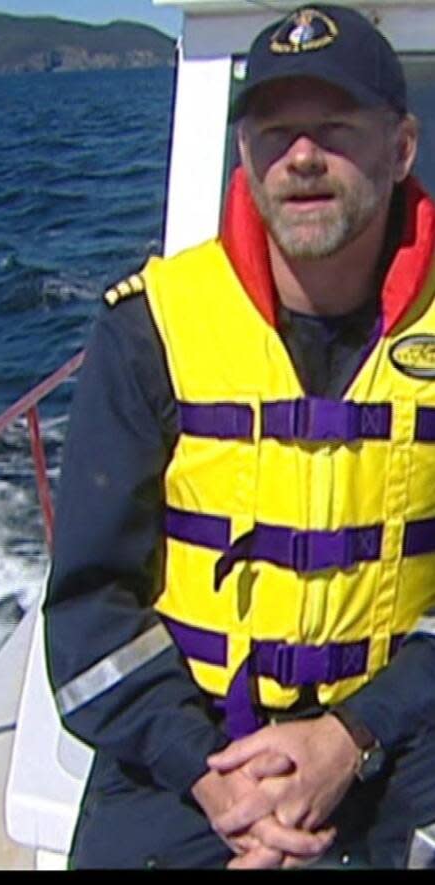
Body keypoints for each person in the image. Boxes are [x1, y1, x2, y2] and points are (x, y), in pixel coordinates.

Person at [44, 4, 435, 869]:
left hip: (404, 729)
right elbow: (88, 609)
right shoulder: (150, 331)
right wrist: (218, 779)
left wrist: (351, 734)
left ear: (401, 148)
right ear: (246, 157)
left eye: (333, 129)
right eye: (273, 132)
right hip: (192, 746)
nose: (301, 157)